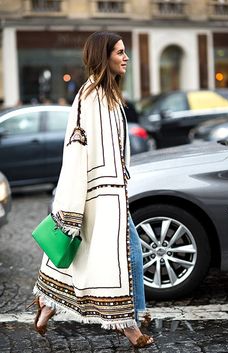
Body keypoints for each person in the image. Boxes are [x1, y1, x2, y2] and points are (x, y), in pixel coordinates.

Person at [30, 31, 154, 348]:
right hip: (101, 194)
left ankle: (46, 307)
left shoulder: (106, 94)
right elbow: (81, 150)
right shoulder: (93, 96)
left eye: (126, 52)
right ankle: (131, 324)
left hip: (109, 192)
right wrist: (81, 200)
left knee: (84, 257)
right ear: (104, 56)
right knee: (123, 257)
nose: (126, 57)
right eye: (120, 52)